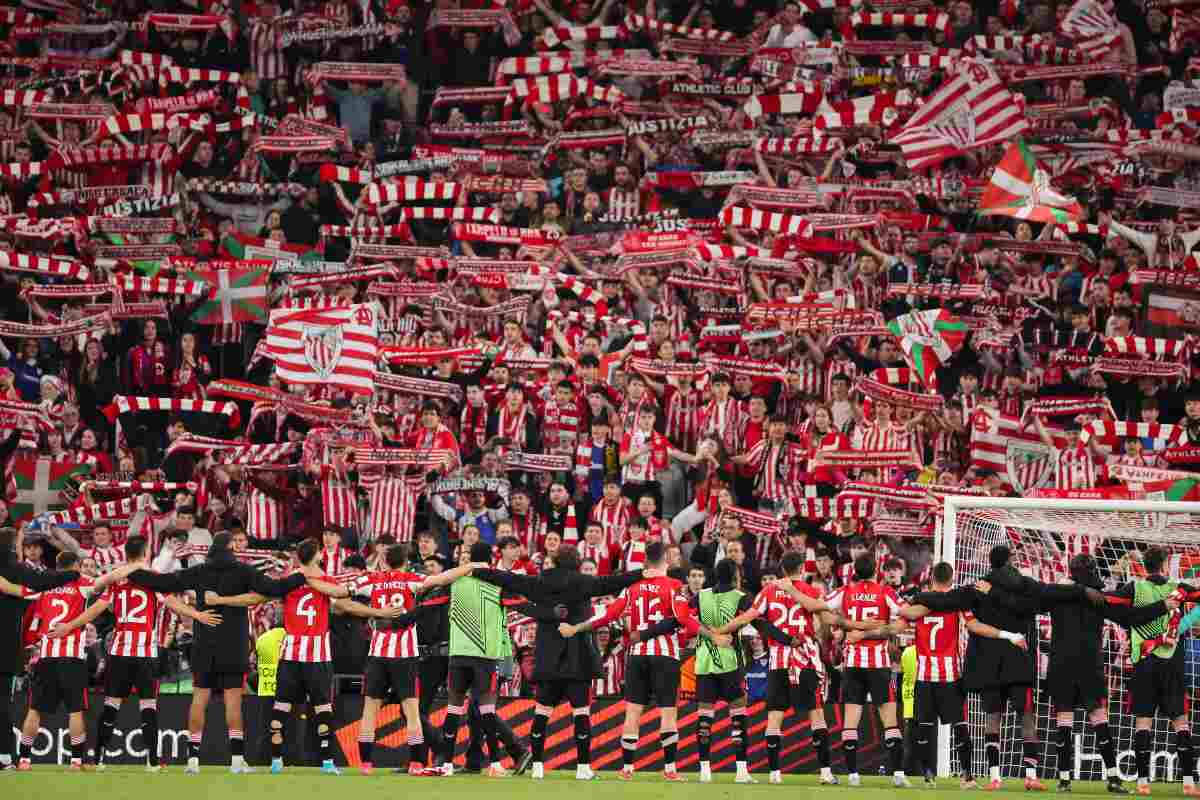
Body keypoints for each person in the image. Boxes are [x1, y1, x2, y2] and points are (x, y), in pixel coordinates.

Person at [204, 538, 408, 775]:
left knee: (280, 708)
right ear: (319, 555)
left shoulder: (288, 581)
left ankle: (277, 761)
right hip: (317, 656)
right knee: (322, 709)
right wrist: (378, 612)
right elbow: (348, 606)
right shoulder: (326, 581)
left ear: (298, 557)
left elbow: (255, 598)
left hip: (290, 654)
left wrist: (220, 600)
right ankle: (328, 762)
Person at [974, 553, 1174, 794]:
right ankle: (1112, 779)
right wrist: (1163, 606)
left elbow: (1023, 603)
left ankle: (1065, 781)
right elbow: (1132, 618)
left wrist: (993, 592)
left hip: (1061, 666)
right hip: (1090, 665)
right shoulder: (1099, 597)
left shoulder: (1056, 594)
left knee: (1064, 725)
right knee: (1100, 721)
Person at [119, 532, 310, 774]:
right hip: (234, 645)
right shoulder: (244, 571)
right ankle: (238, 761)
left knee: (199, 698)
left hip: (204, 644)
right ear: (231, 547)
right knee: (233, 699)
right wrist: (302, 576)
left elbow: (163, 583)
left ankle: (192, 761)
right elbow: (274, 588)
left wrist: (130, 571)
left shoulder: (199, 572)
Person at [467, 542, 644, 780]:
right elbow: (610, 583)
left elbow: (508, 580)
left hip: (548, 657)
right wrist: (641, 573)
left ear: (556, 561)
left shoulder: (541, 582)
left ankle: (537, 767)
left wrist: (477, 570)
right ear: (577, 562)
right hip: (577, 658)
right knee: (581, 713)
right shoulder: (583, 582)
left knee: (542, 713)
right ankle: (583, 768)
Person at [560, 541, 728, 782]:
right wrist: (713, 635)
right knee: (668, 712)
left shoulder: (632, 588)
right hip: (665, 655)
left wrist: (576, 627)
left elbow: (608, 616)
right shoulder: (675, 587)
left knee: (633, 711)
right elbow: (684, 619)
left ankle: (627, 768)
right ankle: (670, 768)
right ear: (666, 562)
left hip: (637, 655)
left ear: (646, 562)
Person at [88, 537, 223, 770]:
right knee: (148, 706)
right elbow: (171, 601)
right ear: (145, 552)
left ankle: (98, 759)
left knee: (111, 705)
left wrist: (70, 626)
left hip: (119, 650)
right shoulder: (152, 580)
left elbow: (97, 605)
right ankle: (151, 761)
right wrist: (198, 615)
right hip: (146, 652)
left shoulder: (117, 581)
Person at [898, 562, 1029, 789]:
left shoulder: (920, 601)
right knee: (960, 727)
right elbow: (976, 626)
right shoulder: (959, 603)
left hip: (924, 677)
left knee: (924, 728)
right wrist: (1007, 635)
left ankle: (929, 776)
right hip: (950, 676)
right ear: (952, 578)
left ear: (931, 579)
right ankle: (967, 777)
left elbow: (901, 620)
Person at [350, 545, 476, 775]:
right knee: (412, 711)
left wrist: (374, 613)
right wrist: (470, 566)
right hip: (405, 656)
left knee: (369, 710)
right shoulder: (411, 579)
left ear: (385, 561)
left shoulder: (372, 581)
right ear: (405, 562)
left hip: (378, 654)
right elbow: (442, 577)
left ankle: (366, 764)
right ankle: (417, 762)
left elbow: (342, 595)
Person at [437, 541, 532, 777]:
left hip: (459, 653)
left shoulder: (455, 582)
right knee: (484, 710)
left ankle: (449, 763)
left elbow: (429, 598)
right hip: (489, 654)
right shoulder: (500, 583)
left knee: (457, 709)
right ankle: (495, 762)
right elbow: (517, 611)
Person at [0, 526, 82, 769]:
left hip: (21, 651)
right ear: (12, 545)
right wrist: (71, 575)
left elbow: (24, 587)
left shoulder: (10, 576)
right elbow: (40, 581)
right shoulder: (14, 569)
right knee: (4, 704)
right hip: (6, 649)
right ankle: (5, 757)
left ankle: (15, 756)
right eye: (20, 543)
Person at [824, 555, 908, 787]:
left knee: (850, 722)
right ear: (876, 570)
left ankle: (852, 775)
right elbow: (906, 615)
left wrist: (846, 625)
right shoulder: (885, 592)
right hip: (879, 664)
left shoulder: (844, 592)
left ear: (855, 571)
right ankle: (899, 775)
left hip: (852, 664)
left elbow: (820, 607)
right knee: (890, 721)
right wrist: (880, 628)